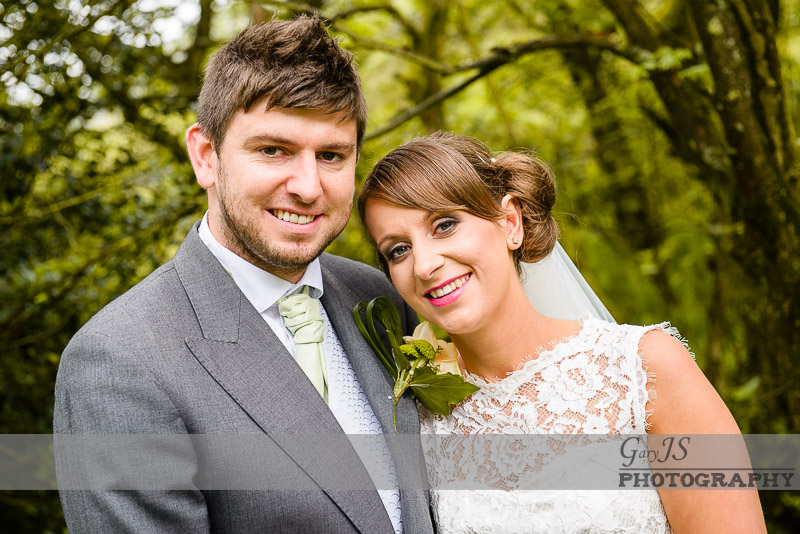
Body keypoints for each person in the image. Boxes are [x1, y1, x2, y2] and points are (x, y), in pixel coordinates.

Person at [54, 15, 435, 534]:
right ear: (205, 156)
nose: (307, 187)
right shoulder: (119, 362)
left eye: (331, 156)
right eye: (273, 150)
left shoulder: (380, 296)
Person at [358, 131, 767, 534]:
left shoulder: (644, 370)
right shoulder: (417, 416)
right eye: (398, 250)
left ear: (510, 222)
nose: (424, 265)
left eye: (445, 225)